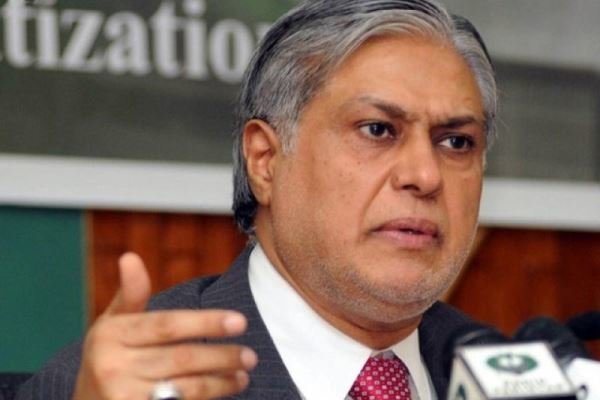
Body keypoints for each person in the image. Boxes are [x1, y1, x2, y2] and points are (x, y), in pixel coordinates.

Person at [17, 0, 497, 399]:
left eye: (456, 142)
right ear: (265, 160)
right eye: (377, 130)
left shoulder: (500, 370)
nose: (424, 176)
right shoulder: (106, 387)